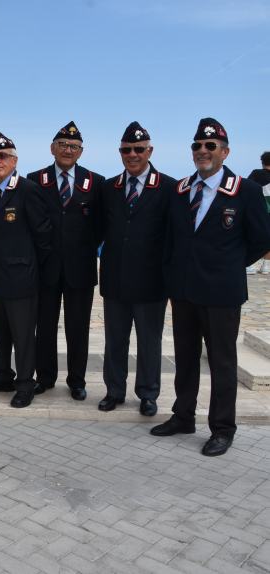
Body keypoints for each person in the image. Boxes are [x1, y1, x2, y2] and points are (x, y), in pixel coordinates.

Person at [153, 118, 270, 456]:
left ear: (225, 151)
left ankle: (222, 428)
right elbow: (171, 240)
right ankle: (183, 416)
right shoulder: (181, 190)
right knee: (185, 358)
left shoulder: (244, 190)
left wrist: (229, 267)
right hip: (185, 291)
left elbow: (261, 238)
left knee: (221, 362)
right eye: (197, 146)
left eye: (210, 146)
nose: (202, 151)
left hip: (222, 293)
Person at [97, 122, 175, 416]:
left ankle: (148, 394)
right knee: (115, 340)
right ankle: (114, 391)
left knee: (149, 342)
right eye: (126, 150)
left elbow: (174, 236)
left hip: (152, 283)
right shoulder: (109, 188)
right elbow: (99, 231)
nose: (132, 155)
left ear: (149, 151)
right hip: (115, 280)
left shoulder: (168, 187)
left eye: (138, 149)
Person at [26, 121, 104, 401]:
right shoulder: (35, 180)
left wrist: (82, 249)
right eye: (62, 145)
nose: (67, 150)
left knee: (77, 328)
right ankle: (44, 377)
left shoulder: (96, 183)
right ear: (52, 148)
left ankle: (77, 380)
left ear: (81, 152)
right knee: (44, 326)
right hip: (46, 268)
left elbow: (99, 226)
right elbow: (32, 222)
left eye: (73, 146)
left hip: (80, 269)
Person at [0, 132, 51, 408]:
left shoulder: (28, 190)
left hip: (21, 277)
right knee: (1, 332)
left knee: (23, 334)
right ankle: (2, 375)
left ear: (14, 160)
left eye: (2, 156)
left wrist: (33, 271)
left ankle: (25, 383)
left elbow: (43, 237)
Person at [246, 151, 270, 274]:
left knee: (252, 236)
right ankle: (266, 266)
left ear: (262, 162)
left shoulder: (256, 174)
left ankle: (249, 265)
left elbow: (247, 188)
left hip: (259, 210)